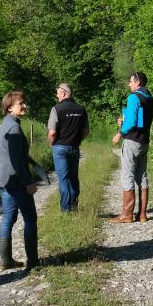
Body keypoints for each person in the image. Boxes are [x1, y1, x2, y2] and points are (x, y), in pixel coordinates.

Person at [0, 90, 39, 271]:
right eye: (21, 103)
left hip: (4, 180)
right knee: (30, 219)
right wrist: (28, 182)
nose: (24, 106)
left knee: (8, 218)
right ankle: (33, 262)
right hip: (15, 181)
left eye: (24, 102)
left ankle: (6, 260)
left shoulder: (4, 125)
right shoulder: (14, 127)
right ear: (10, 107)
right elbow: (15, 160)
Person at [111, 72, 153, 223]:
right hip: (144, 142)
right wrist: (125, 120)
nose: (129, 84)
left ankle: (127, 215)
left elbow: (132, 123)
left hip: (132, 141)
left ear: (137, 82)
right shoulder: (149, 98)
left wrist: (120, 133)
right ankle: (142, 214)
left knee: (127, 175)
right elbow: (139, 120)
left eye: (130, 81)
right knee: (142, 176)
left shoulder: (133, 97)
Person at [47, 83, 89, 212]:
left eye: (58, 93)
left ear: (64, 93)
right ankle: (74, 205)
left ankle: (66, 209)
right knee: (73, 176)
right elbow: (86, 131)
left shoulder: (56, 109)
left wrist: (51, 143)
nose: (57, 95)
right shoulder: (81, 109)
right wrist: (77, 140)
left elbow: (52, 132)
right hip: (74, 147)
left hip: (59, 147)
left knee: (64, 178)